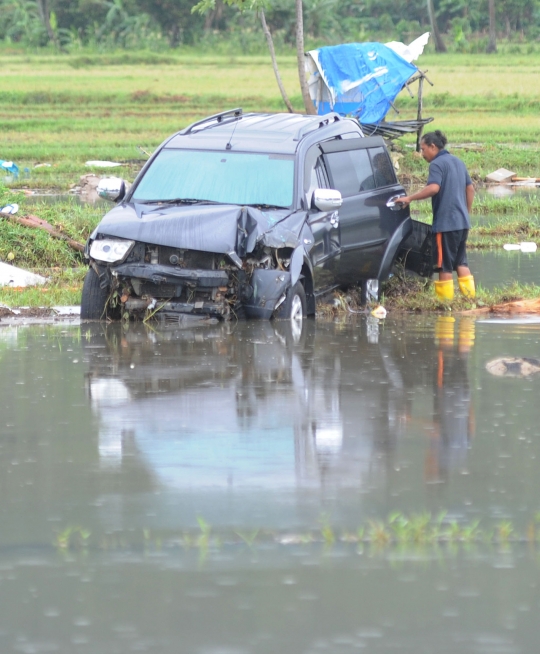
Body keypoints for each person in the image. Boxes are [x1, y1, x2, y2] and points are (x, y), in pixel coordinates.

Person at [398, 131, 476, 301]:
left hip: (446, 225)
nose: (422, 153)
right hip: (462, 223)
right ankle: (470, 301)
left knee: (443, 266)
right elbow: (470, 189)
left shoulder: (436, 164)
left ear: (433, 147)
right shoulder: (458, 162)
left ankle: (445, 305)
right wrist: (465, 213)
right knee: (460, 262)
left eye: (423, 149)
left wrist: (410, 198)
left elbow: (434, 188)